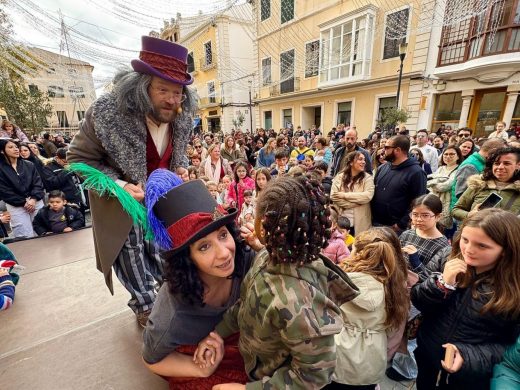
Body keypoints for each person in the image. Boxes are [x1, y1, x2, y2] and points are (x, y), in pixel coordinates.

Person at [67, 36, 196, 326]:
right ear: (141, 87)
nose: (172, 100)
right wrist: (121, 186)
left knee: (165, 249)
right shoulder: (106, 114)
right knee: (130, 252)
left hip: (162, 202)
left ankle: (168, 295)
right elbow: (77, 160)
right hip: (120, 205)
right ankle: (145, 307)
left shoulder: (181, 115)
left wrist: (182, 168)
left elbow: (180, 153)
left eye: (178, 92)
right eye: (163, 89)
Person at [195, 175, 359, 389]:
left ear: (263, 224)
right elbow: (246, 304)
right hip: (256, 363)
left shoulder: (301, 304)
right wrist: (218, 332)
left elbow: (313, 377)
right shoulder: (267, 256)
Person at [142, 172, 261, 389]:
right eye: (204, 247)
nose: (224, 253)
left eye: (223, 235)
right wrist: (201, 369)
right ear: (187, 259)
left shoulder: (246, 260)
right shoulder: (173, 313)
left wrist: (263, 250)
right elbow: (151, 358)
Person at [411, 209, 520, 389]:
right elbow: (417, 299)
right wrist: (441, 285)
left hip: (471, 374)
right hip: (427, 353)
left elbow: (512, 348)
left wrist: (469, 356)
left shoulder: (513, 287)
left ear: (506, 250)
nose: (468, 250)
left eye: (482, 246)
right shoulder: (447, 256)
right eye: (465, 240)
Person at [327, 227, 410, 389]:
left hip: (337, 357)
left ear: (358, 254)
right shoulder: (396, 288)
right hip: (373, 361)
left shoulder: (339, 282)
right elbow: (394, 334)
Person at [371, 135, 427, 234]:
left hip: (395, 227)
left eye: (387, 147)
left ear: (397, 150)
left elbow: (418, 201)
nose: (383, 150)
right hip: (375, 222)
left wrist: (401, 223)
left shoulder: (416, 172)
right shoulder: (382, 168)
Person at [452, 147, 520, 221]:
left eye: (507, 163)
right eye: (496, 163)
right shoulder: (478, 184)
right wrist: (469, 215)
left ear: (518, 165)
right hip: (476, 231)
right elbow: (455, 210)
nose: (500, 167)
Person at [0, 139, 45, 238]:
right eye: (10, 147)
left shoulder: (29, 165)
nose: (16, 149)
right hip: (16, 205)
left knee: (42, 229)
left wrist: (33, 199)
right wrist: (22, 202)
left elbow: (38, 183)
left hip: (35, 201)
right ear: (2, 151)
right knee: (24, 234)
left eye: (16, 147)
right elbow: (4, 191)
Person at [450, 138, 506, 210]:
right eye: (501, 153)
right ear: (493, 151)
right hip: (466, 214)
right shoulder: (470, 166)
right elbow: (461, 193)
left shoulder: (483, 163)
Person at [330, 151, 375, 236]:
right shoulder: (340, 177)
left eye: (364, 160)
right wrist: (356, 203)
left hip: (360, 223)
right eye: (360, 159)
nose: (364, 162)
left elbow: (368, 196)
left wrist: (344, 195)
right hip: (341, 222)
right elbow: (334, 196)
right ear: (351, 162)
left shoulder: (367, 178)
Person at [427, 146, 462, 234]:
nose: (448, 156)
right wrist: (436, 181)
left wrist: (434, 182)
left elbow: (445, 186)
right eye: (445, 154)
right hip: (434, 201)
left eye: (451, 154)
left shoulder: (459, 170)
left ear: (458, 156)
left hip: (448, 203)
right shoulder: (441, 168)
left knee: (444, 231)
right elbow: (427, 182)